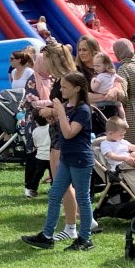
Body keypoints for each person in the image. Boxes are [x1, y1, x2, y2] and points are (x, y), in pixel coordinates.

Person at [22, 72, 97, 251]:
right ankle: (47, 236)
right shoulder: (67, 106)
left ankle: (85, 238)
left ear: (77, 88)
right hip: (66, 158)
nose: (61, 90)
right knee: (55, 195)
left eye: (64, 87)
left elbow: (70, 132)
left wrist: (60, 113)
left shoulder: (83, 110)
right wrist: (54, 116)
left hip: (80, 159)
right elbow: (62, 126)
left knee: (82, 198)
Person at [24, 111, 50, 198]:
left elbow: (35, 145)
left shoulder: (35, 131)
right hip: (51, 157)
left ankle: (32, 190)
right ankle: (55, 190)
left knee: (37, 175)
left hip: (40, 156)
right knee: (54, 175)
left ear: (36, 121)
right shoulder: (50, 128)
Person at [91, 52, 125, 117]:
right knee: (120, 105)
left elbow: (94, 88)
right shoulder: (112, 74)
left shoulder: (99, 77)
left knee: (92, 105)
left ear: (106, 65)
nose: (95, 68)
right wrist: (113, 80)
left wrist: (93, 81)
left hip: (101, 100)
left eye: (98, 66)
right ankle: (124, 119)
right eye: (94, 66)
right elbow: (121, 80)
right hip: (112, 99)